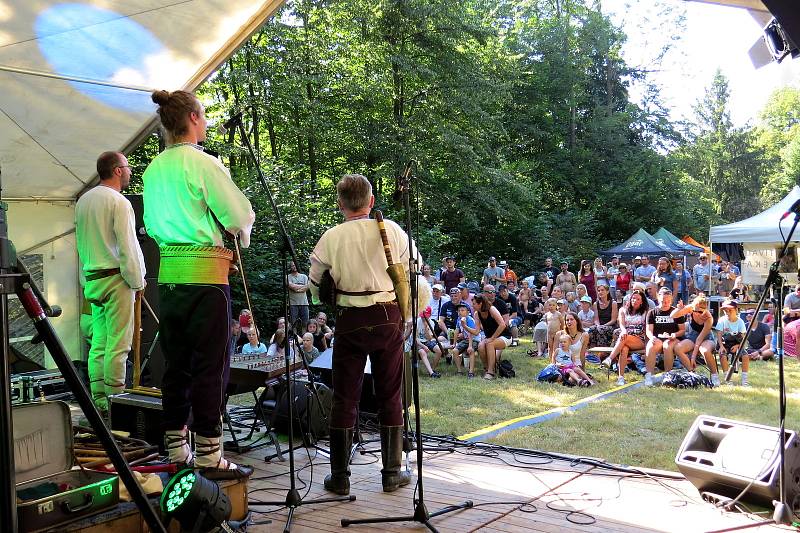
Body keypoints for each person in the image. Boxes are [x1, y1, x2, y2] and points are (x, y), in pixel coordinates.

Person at [143, 90, 255, 478]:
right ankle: (209, 454)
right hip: (206, 281)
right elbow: (239, 214)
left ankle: (176, 448)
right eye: (204, 117)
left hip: (170, 277)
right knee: (211, 366)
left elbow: (157, 223)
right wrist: (236, 235)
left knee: (177, 364)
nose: (206, 123)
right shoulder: (202, 163)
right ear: (192, 117)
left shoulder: (153, 169)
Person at [309, 173, 417, 495]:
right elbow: (413, 269)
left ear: (340, 203)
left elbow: (315, 288)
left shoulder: (330, 238)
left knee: (345, 397)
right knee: (390, 395)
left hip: (350, 321)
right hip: (387, 317)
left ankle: (340, 477)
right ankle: (391, 473)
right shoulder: (394, 231)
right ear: (371, 201)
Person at [76, 150, 146, 415]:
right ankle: (116, 404)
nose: (129, 172)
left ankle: (99, 402)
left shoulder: (83, 200)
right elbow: (129, 246)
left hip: (93, 279)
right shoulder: (119, 202)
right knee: (118, 344)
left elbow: (82, 244)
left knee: (100, 343)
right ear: (117, 170)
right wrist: (137, 281)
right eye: (127, 167)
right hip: (116, 279)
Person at [673, 294, 720, 386]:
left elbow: (699, 339)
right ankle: (692, 373)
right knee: (678, 348)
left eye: (700, 312)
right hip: (692, 335)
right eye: (695, 311)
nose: (697, 313)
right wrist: (678, 309)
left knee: (705, 350)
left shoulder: (709, 318)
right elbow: (673, 316)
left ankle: (714, 376)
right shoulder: (691, 308)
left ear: (705, 309)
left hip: (706, 338)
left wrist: (693, 358)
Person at [642, 287, 686, 386]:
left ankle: (668, 374)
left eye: (668, 301)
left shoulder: (676, 312)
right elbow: (649, 330)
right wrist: (651, 337)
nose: (665, 303)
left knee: (667, 345)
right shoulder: (652, 312)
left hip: (672, 338)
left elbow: (682, 330)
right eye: (663, 301)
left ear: (671, 300)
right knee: (650, 345)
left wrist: (674, 335)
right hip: (658, 338)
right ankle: (649, 375)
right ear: (658, 298)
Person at [611, 289, 649, 386]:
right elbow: (622, 325)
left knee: (625, 338)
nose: (634, 301)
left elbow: (647, 330)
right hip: (625, 339)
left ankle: (609, 359)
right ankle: (621, 377)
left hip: (639, 340)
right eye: (633, 298)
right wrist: (623, 330)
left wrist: (647, 346)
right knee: (624, 348)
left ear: (642, 302)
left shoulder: (646, 312)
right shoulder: (623, 310)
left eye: (637, 299)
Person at [474, 286, 511, 380]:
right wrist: (465, 326)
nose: (472, 305)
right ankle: (487, 368)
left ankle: (491, 372)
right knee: (481, 346)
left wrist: (492, 338)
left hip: (504, 336)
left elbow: (502, 325)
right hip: (491, 338)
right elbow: (477, 331)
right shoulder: (476, 313)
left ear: (480, 303)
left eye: (474, 304)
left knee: (490, 344)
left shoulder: (492, 309)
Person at [715, 300, 751, 386]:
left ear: (736, 310)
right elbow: (719, 335)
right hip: (724, 343)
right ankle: (728, 379)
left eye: (730, 310)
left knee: (745, 356)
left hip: (737, 343)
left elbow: (743, 338)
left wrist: (738, 346)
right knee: (723, 356)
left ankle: (744, 381)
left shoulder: (740, 322)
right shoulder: (722, 320)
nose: (727, 312)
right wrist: (721, 346)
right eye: (725, 310)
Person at [454, 303, 481, 378]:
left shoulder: (470, 320)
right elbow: (456, 330)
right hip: (466, 339)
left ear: (468, 312)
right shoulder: (459, 319)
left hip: (474, 339)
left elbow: (471, 333)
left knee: (471, 350)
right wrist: (454, 343)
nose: (460, 312)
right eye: (459, 310)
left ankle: (471, 372)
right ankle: (459, 371)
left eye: (462, 310)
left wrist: (469, 346)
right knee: (455, 351)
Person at [287, 261, 310, 333]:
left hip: (304, 303)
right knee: (294, 324)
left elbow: (307, 287)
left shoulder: (304, 276)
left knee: (305, 323)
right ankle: (295, 339)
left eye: (295, 265)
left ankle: (304, 338)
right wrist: (302, 287)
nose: (294, 267)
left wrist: (296, 288)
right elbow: (291, 286)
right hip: (293, 304)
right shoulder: (287, 277)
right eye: (292, 265)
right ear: (290, 267)